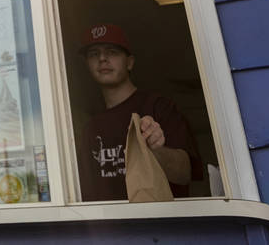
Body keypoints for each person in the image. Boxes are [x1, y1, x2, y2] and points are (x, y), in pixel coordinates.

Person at [77, 24, 202, 201]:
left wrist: (154, 150)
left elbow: (185, 173)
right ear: (87, 65)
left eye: (112, 51)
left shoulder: (158, 107)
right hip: (110, 225)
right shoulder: (90, 127)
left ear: (129, 62)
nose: (102, 58)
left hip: (160, 224)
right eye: (94, 54)